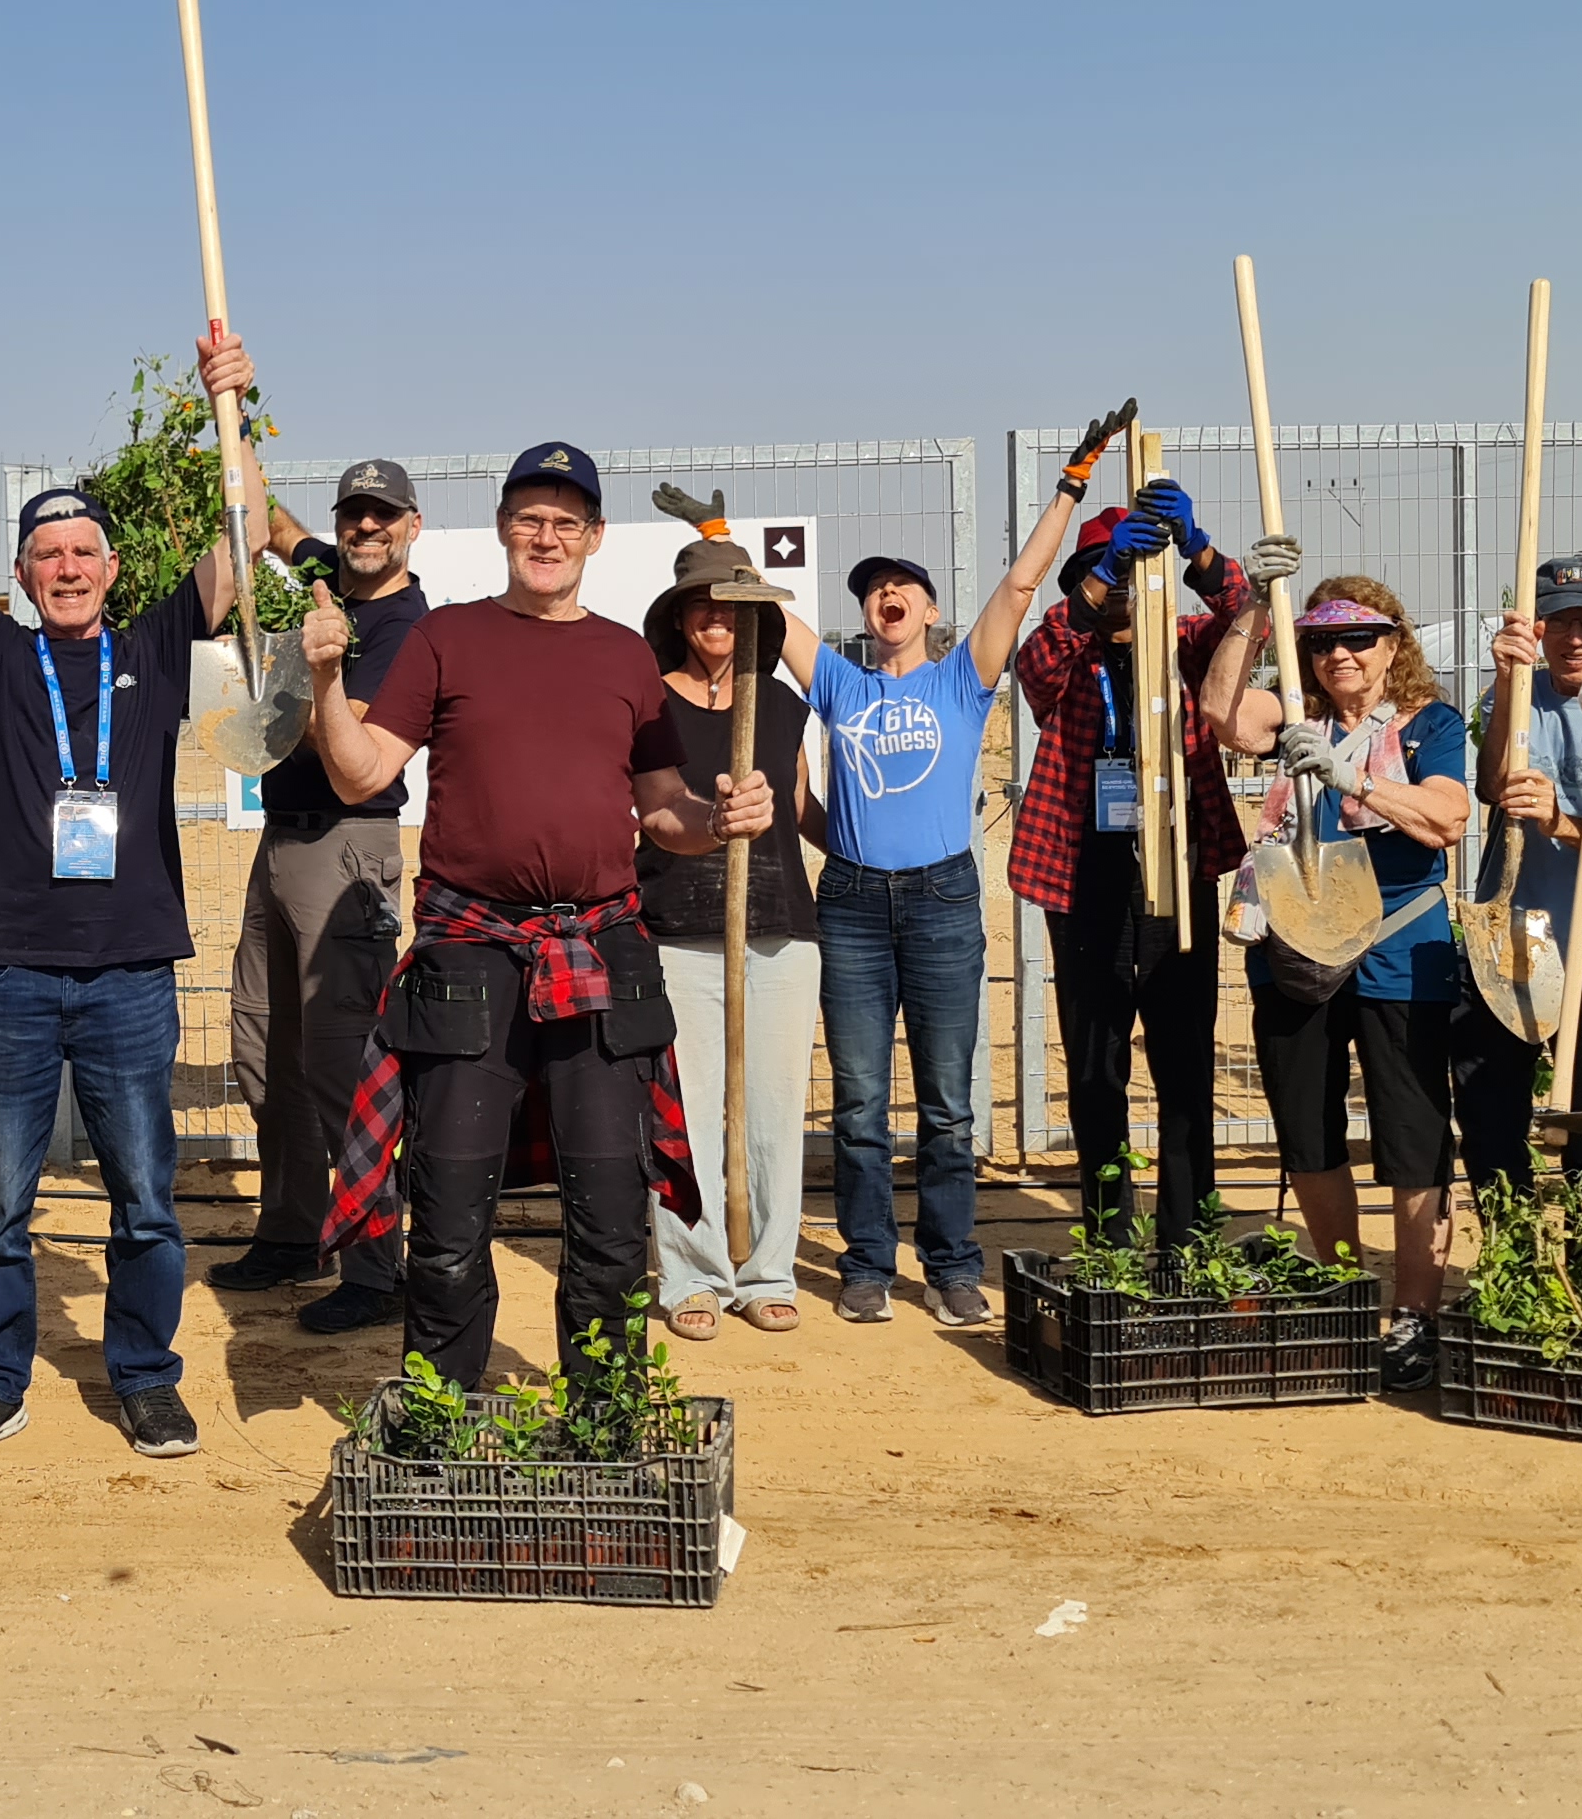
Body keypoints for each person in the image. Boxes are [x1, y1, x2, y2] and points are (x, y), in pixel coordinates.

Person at [300, 442, 772, 1386]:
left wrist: (719, 820)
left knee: (606, 1216)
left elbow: (664, 810)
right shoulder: (448, 640)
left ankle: (605, 1418)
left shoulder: (627, 656)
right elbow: (361, 771)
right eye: (529, 518)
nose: (545, 536)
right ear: (504, 529)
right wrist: (322, 684)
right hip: (468, 958)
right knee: (447, 1221)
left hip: (600, 954)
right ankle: (441, 1427)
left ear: (594, 538)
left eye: (566, 521)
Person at [0, 310, 266, 1463]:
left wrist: (229, 402)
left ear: (112, 568)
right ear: (20, 572)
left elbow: (242, 541)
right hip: (5, 968)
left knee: (146, 1194)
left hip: (129, 971)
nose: (65, 568)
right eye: (45, 553)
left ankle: (144, 1376)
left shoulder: (154, 645)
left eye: (83, 552)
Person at [786, 405, 1123, 1323]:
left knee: (946, 1105)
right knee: (857, 1105)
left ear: (930, 611)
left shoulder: (962, 677)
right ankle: (864, 1265)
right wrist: (717, 537)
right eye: (873, 589)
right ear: (863, 612)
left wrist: (1072, 486)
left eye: (903, 587)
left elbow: (1021, 586)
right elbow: (764, 610)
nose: (886, 596)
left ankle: (950, 1265)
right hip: (852, 901)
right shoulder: (838, 683)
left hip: (941, 900)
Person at [1201, 572, 1473, 1393]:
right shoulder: (1294, 714)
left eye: (1359, 637)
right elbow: (1219, 712)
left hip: (1400, 946)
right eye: (1320, 640)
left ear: (1395, 644)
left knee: (1412, 1136)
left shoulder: (1432, 724)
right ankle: (1343, 1288)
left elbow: (1447, 816)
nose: (1340, 654)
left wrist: (1350, 778)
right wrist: (1255, 608)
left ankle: (1415, 1314)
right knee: (1308, 1127)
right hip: (1298, 945)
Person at [1002, 454, 1252, 1259]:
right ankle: (1110, 1233)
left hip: (1176, 870)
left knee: (1184, 1062)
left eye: (1139, 574)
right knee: (1098, 1065)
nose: (1123, 592)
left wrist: (1198, 548)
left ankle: (1190, 1236)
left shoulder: (1185, 644)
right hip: (1083, 878)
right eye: (1109, 577)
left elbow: (1244, 612)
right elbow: (1035, 664)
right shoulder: (1066, 655)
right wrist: (1102, 576)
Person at [215, 459, 428, 1336]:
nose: (365, 530)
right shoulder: (325, 582)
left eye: (382, 517)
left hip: (349, 849)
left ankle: (377, 1266)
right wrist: (236, 443)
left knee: (345, 1066)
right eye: (354, 516)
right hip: (282, 839)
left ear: (412, 526)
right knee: (264, 1046)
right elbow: (270, 527)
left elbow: (353, 745)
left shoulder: (406, 626)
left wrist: (264, 681)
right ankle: (293, 1229)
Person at [635, 513, 821, 1338]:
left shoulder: (779, 706)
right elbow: (641, 811)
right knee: (688, 1109)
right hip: (678, 927)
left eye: (735, 605)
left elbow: (807, 806)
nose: (718, 617)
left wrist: (884, 840)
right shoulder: (648, 706)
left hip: (780, 926)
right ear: (679, 616)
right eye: (702, 604)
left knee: (776, 1108)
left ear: (758, 619)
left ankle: (767, 1268)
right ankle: (692, 1275)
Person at [1455, 555, 1582, 1204]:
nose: (1576, 637)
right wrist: (1507, 677)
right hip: (1511, 942)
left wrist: (1561, 823)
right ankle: (1515, 1271)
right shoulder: (1512, 699)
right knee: (1489, 1123)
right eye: (1560, 621)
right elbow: (1491, 785)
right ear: (1539, 628)